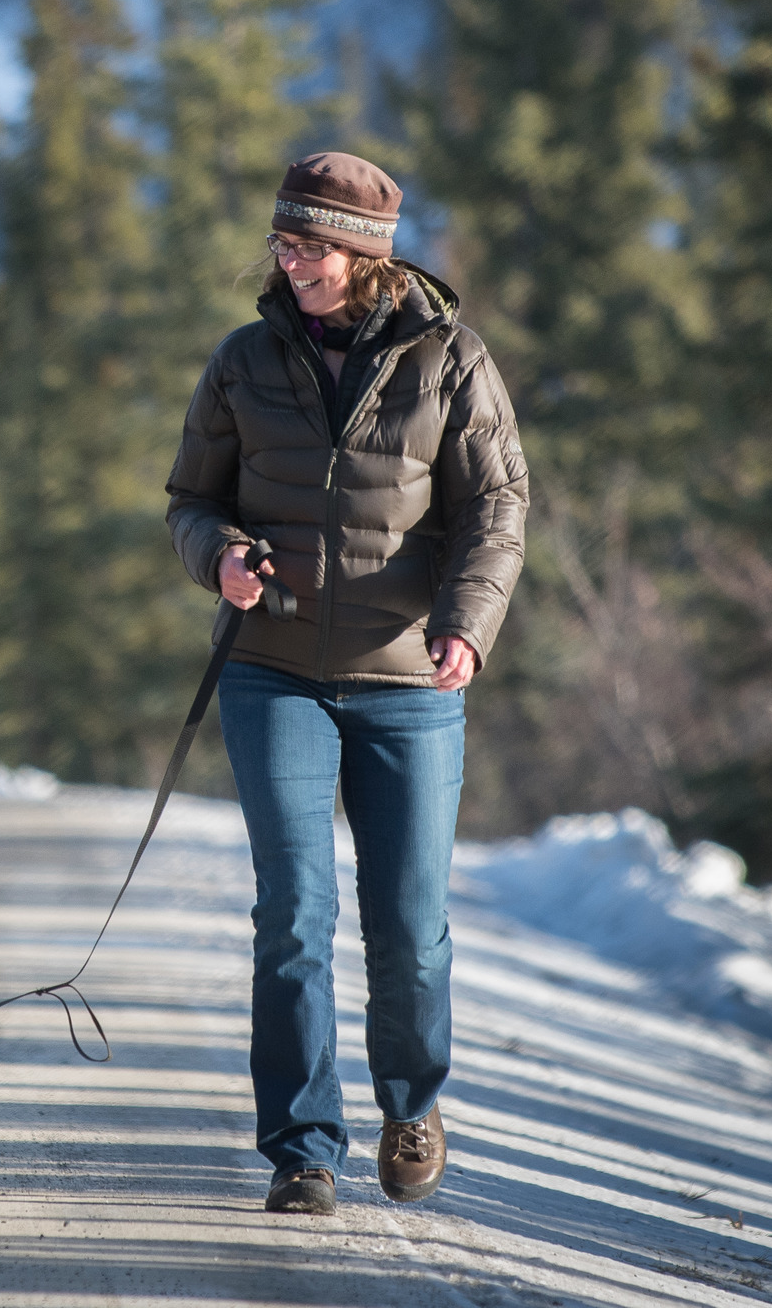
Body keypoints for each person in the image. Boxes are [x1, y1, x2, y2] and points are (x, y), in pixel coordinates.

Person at [163, 151, 527, 1215]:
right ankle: (302, 1147)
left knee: (408, 921)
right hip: (271, 670)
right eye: (282, 243)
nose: (290, 263)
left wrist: (467, 622)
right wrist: (218, 554)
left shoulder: (452, 362)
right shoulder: (241, 360)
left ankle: (412, 1102)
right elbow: (190, 498)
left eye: (309, 246)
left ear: (365, 254)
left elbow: (497, 511)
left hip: (410, 681)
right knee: (292, 911)